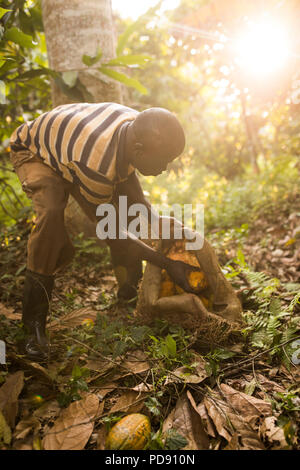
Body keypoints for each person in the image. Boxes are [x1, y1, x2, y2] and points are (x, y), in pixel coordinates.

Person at [10, 102, 200, 361]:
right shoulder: (96, 167)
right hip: (35, 152)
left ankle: (128, 290)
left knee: (129, 210)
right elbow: (113, 231)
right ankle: (32, 325)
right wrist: (167, 263)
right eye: (163, 160)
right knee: (52, 216)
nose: (165, 168)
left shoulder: (134, 127)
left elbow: (136, 199)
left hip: (72, 151)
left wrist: (160, 223)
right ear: (138, 149)